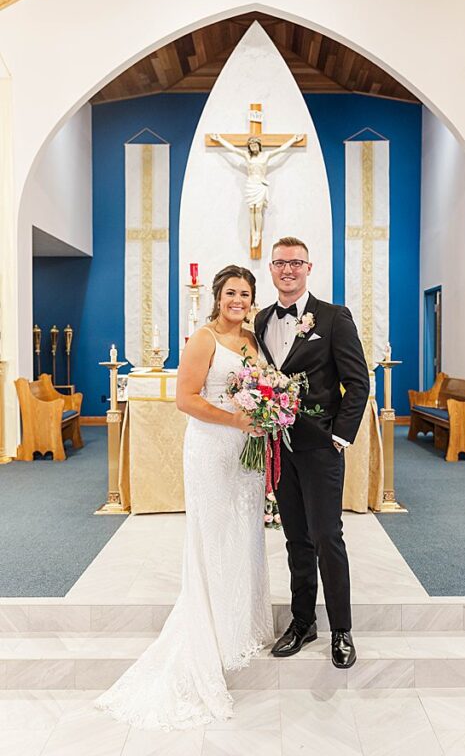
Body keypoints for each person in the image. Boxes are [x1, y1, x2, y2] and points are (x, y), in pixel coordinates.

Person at [96, 265, 273, 729]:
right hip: (213, 448)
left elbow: (263, 390)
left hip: (246, 454)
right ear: (218, 295)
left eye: (246, 293)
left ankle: (238, 625)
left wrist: (267, 411)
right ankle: (208, 632)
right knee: (213, 536)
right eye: (232, 292)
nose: (238, 300)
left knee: (244, 534)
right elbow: (186, 399)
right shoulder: (204, 339)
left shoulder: (253, 341)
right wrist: (237, 420)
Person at [254, 236, 370, 670]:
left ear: (309, 267)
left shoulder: (334, 317)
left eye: (296, 263)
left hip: (320, 446)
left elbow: (358, 382)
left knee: (327, 536)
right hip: (279, 448)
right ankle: (303, 623)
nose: (288, 270)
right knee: (295, 539)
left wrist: (340, 436)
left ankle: (342, 629)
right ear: (271, 269)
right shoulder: (262, 319)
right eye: (280, 263)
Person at [210, 133, 304, 258]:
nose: (253, 147)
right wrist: (220, 139)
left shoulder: (266, 156)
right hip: (250, 184)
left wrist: (293, 140)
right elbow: (232, 149)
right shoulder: (247, 157)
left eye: (255, 145)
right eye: (251, 145)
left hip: (260, 184)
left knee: (258, 209)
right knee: (251, 210)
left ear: (259, 146)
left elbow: (281, 149)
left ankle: (257, 233)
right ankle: (253, 233)